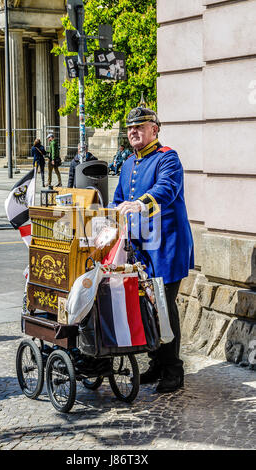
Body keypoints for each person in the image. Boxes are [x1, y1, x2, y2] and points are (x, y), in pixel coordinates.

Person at [112, 107, 194, 393]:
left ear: (154, 130)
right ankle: (156, 363)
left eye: (140, 127)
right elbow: (118, 200)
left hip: (167, 248)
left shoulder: (167, 158)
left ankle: (173, 370)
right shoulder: (126, 164)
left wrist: (140, 203)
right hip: (140, 250)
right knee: (146, 306)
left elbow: (166, 189)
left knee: (164, 306)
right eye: (130, 128)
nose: (133, 132)